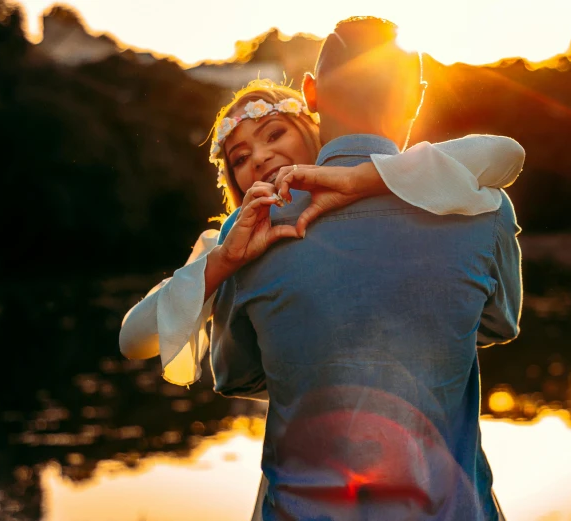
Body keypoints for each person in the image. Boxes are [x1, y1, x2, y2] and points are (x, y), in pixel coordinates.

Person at [210, 17, 522, 520]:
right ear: (416, 98)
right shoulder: (481, 206)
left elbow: (235, 375)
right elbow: (497, 323)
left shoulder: (247, 234)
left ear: (310, 93)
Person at [119, 78, 525, 386]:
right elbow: (133, 340)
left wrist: (360, 181)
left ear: (311, 131)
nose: (259, 158)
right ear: (234, 179)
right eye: (240, 157)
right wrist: (224, 261)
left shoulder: (402, 190)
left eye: (275, 134)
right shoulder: (225, 245)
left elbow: (504, 154)